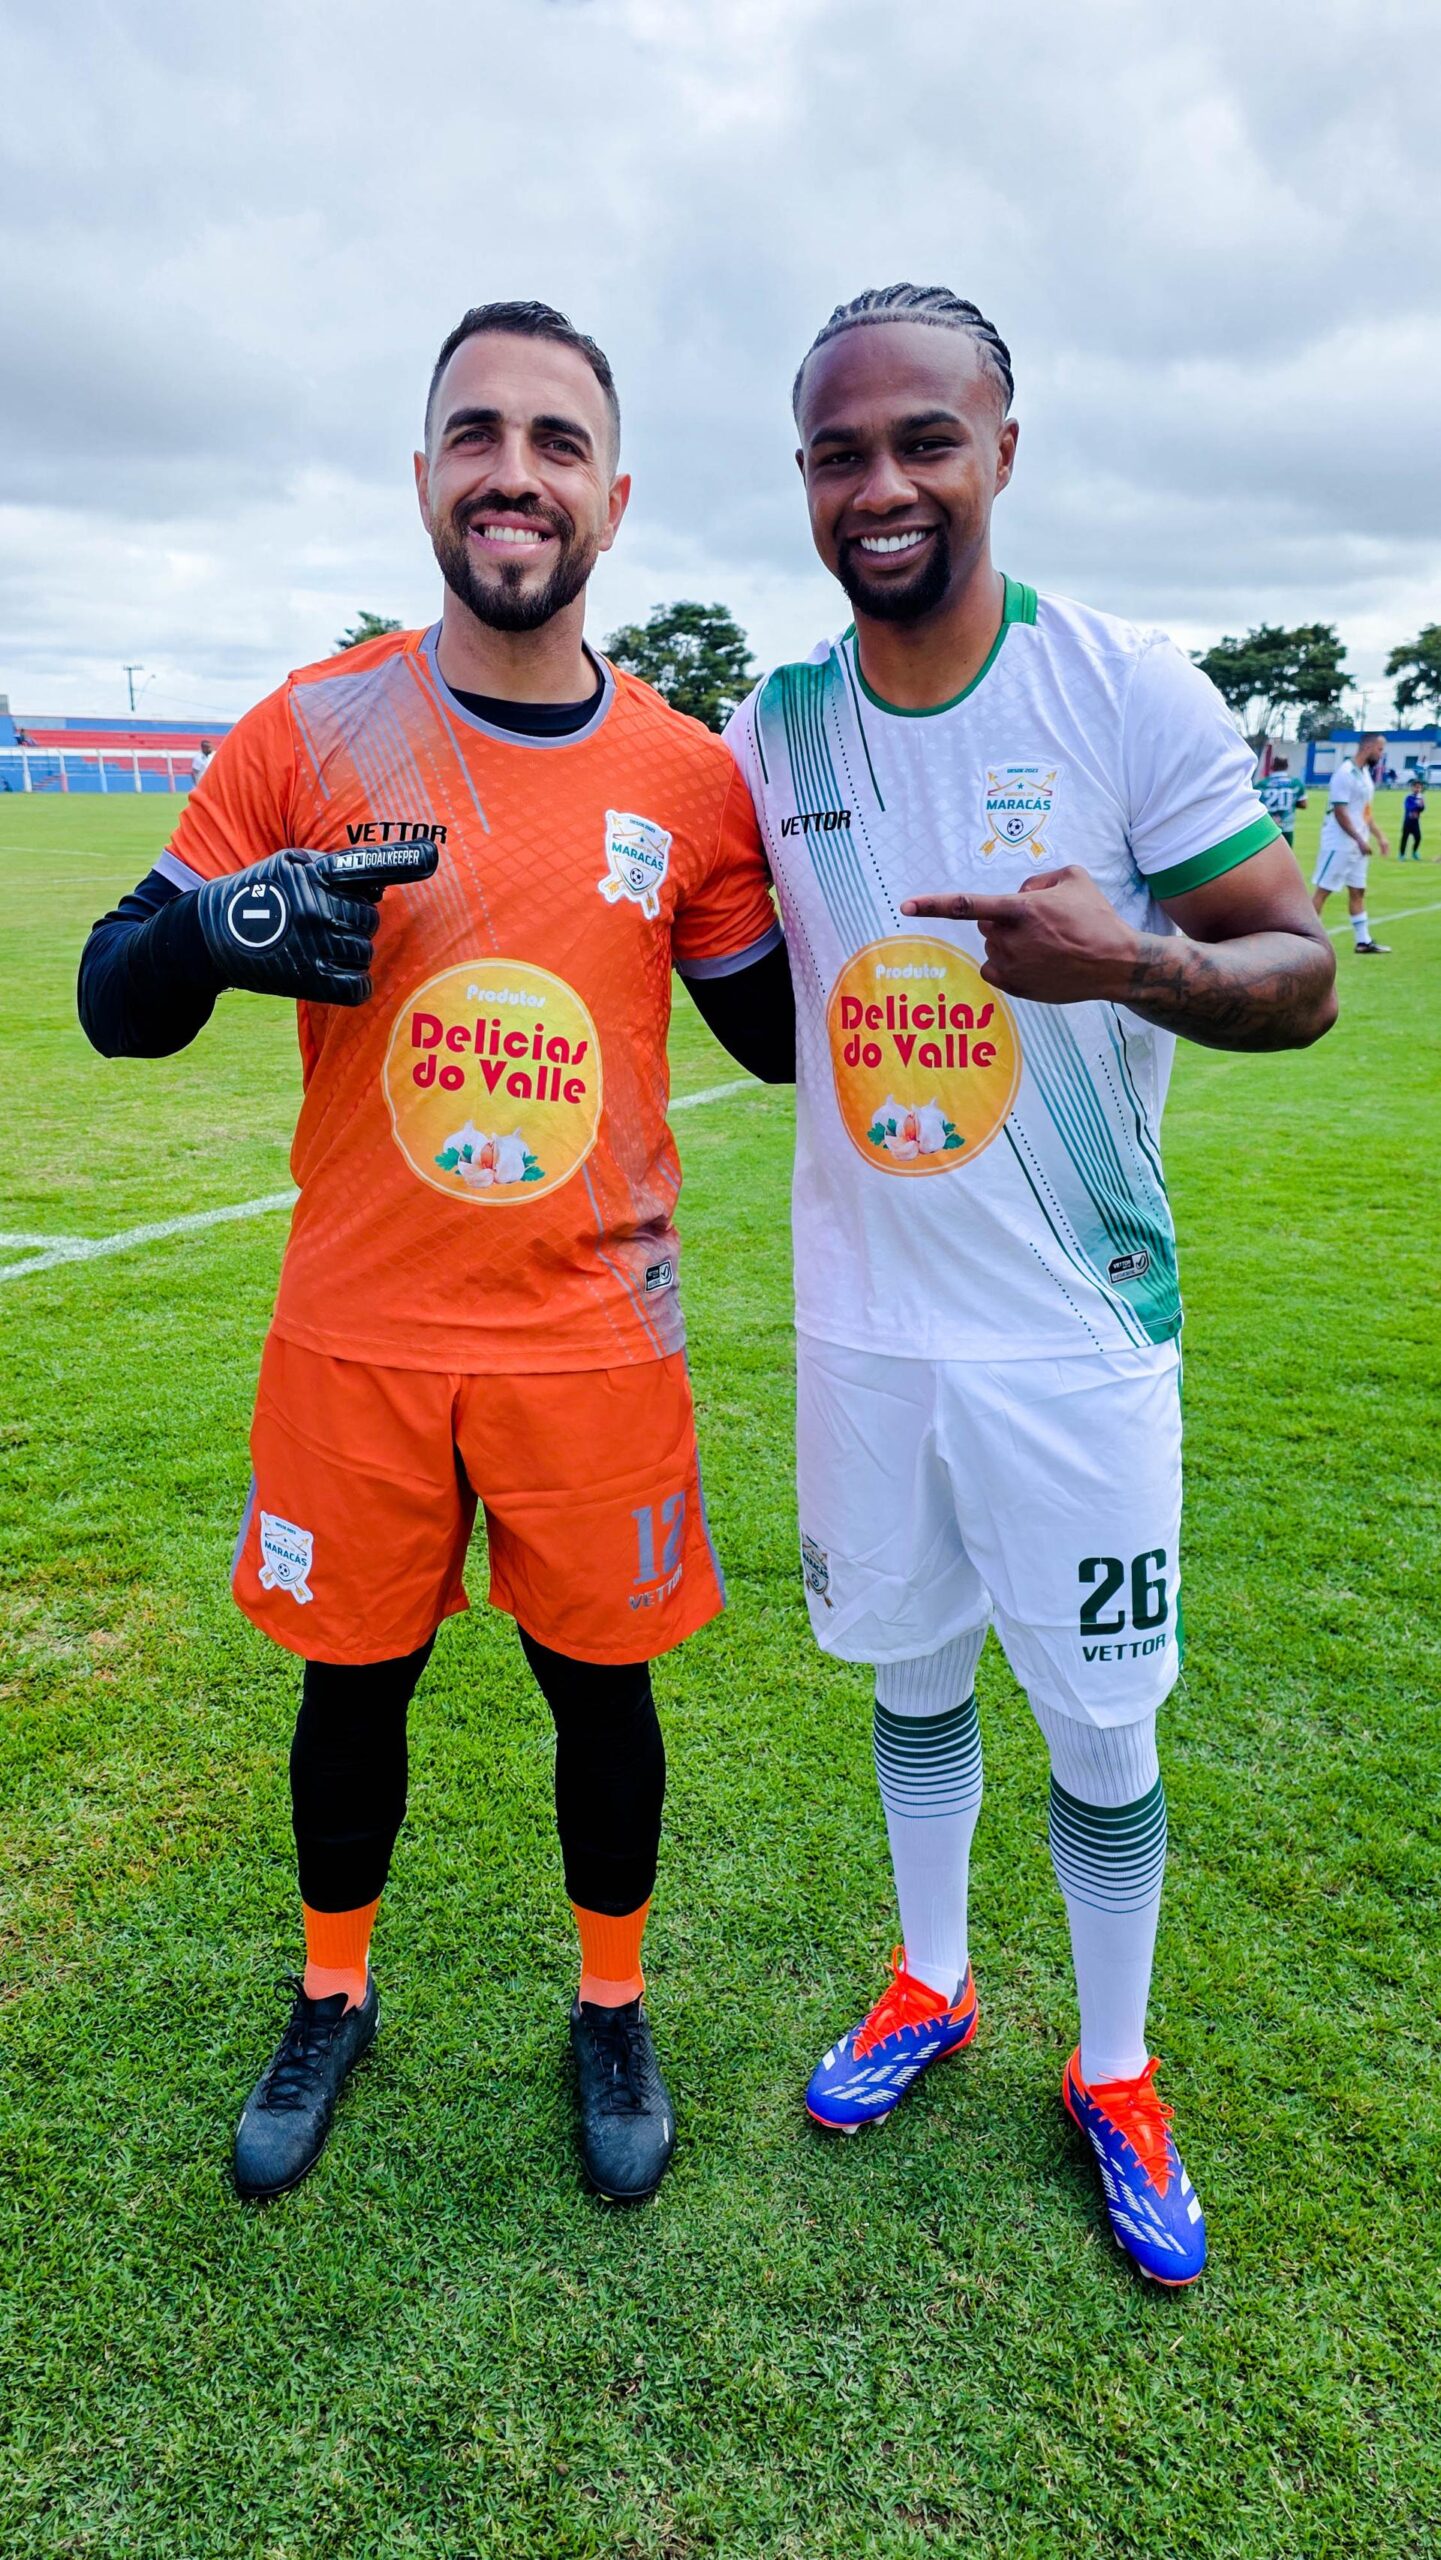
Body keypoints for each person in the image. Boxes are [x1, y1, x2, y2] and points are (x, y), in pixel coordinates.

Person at [78, 299, 794, 2208]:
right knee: (350, 1687)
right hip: (362, 1331)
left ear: (615, 495)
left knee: (603, 1695)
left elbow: (784, 1036)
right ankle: (333, 1992)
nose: (513, 473)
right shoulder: (311, 730)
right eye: (476, 433)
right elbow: (115, 997)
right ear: (422, 478)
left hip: (593, 1335)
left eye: (557, 442)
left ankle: (611, 2006)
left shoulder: (686, 776)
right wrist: (216, 928)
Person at [724, 282, 1336, 2287]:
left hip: (1073, 1330)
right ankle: (932, 1978)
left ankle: (1118, 2065)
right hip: (866, 1326)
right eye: (840, 453)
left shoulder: (1123, 688)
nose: (881, 485)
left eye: (924, 440)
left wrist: (1129, 963)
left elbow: (1302, 971)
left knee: (1099, 1720)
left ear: (1001, 446)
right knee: (910, 1667)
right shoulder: (773, 729)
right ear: (804, 479)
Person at [1311, 733, 1390, 951]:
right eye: (1380, 750)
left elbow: (1365, 812)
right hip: (1339, 843)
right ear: (1368, 747)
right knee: (1323, 891)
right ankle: (1304, 942)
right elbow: (1340, 812)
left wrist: (1379, 836)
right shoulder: (1344, 774)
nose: (1381, 755)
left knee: (1358, 891)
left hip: (1358, 845)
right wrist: (1358, 839)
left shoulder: (1364, 774)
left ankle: (1363, 941)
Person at [1257, 766, 1305, 848]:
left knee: (1267, 852)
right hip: (1287, 825)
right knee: (1286, 853)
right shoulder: (1295, 783)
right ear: (1287, 766)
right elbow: (1303, 804)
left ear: (1272, 767)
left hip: (1268, 824)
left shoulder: (1262, 783)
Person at [1399, 778, 1425, 859]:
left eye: (1419, 788)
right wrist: (1417, 804)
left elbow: (1422, 809)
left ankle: (1414, 852)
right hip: (1408, 822)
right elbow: (1409, 807)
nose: (1417, 789)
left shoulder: (1420, 798)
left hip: (1415, 822)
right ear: (1412, 788)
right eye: (1416, 787)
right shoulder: (1409, 797)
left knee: (1418, 837)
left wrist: (1421, 805)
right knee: (1405, 838)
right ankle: (1402, 854)